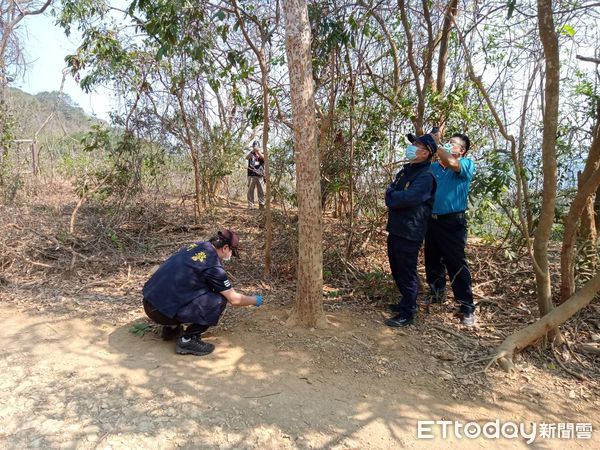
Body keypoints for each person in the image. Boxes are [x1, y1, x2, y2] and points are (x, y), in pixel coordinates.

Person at [142, 229, 264, 356]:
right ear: (225, 248)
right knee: (218, 301)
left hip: (149, 303)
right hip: (161, 314)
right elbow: (234, 299)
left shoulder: (197, 245)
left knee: (197, 287)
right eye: (231, 252)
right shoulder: (213, 267)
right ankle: (187, 340)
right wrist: (258, 300)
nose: (230, 256)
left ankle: (171, 329)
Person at [384, 133, 437, 328]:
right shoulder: (406, 172)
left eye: (416, 144)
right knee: (396, 268)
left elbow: (407, 198)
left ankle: (408, 312)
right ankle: (404, 302)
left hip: (411, 231)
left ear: (425, 153)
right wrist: (394, 196)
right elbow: (392, 192)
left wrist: (393, 197)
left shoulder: (426, 176)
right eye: (413, 143)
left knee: (406, 271)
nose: (412, 147)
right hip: (396, 228)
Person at [425, 133, 476, 326]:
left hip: (452, 223)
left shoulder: (466, 164)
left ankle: (467, 307)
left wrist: (437, 145)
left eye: (452, 144)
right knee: (432, 259)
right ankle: (436, 294)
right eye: (447, 142)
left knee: (456, 263)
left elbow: (453, 164)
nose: (448, 145)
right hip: (432, 220)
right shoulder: (434, 168)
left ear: (461, 150)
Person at [246, 140, 265, 209]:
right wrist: (253, 151)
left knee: (261, 190)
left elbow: (264, 158)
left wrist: (258, 152)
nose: (255, 147)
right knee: (250, 190)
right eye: (254, 146)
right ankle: (251, 205)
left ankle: (261, 205)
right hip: (251, 174)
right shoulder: (251, 154)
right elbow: (246, 157)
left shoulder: (262, 153)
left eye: (256, 146)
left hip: (260, 175)